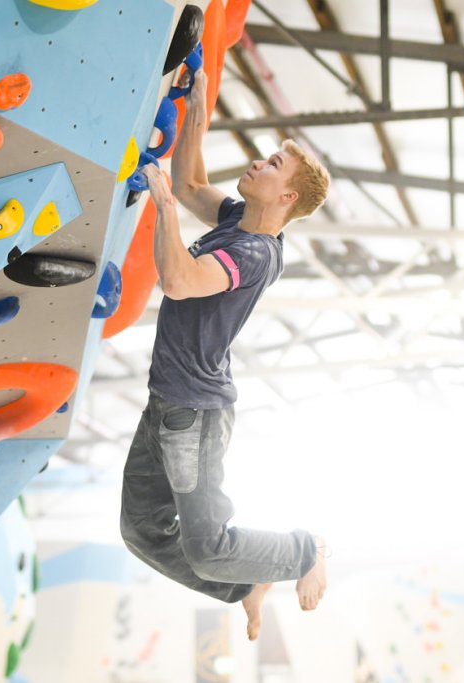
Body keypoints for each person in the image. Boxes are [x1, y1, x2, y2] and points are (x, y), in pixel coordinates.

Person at [119, 68, 331, 641]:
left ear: (286, 197)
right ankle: (246, 585)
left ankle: (302, 550)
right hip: (168, 402)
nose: (258, 163)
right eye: (265, 156)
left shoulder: (256, 253)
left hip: (194, 416)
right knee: (141, 531)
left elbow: (181, 281)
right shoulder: (240, 220)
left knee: (209, 547)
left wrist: (162, 208)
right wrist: (194, 104)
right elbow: (190, 185)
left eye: (272, 166)